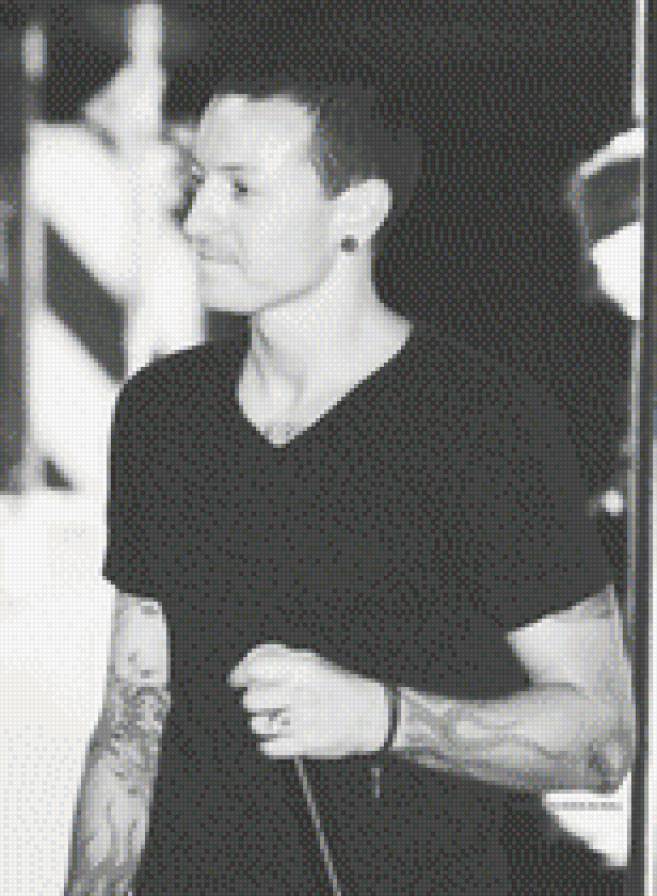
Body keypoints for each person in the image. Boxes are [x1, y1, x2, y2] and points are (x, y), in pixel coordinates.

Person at [65, 79, 635, 895]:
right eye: (197, 183)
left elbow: (601, 742)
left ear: (355, 213)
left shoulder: (483, 423)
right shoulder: (164, 410)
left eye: (240, 189)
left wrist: (380, 717)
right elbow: (132, 722)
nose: (196, 220)